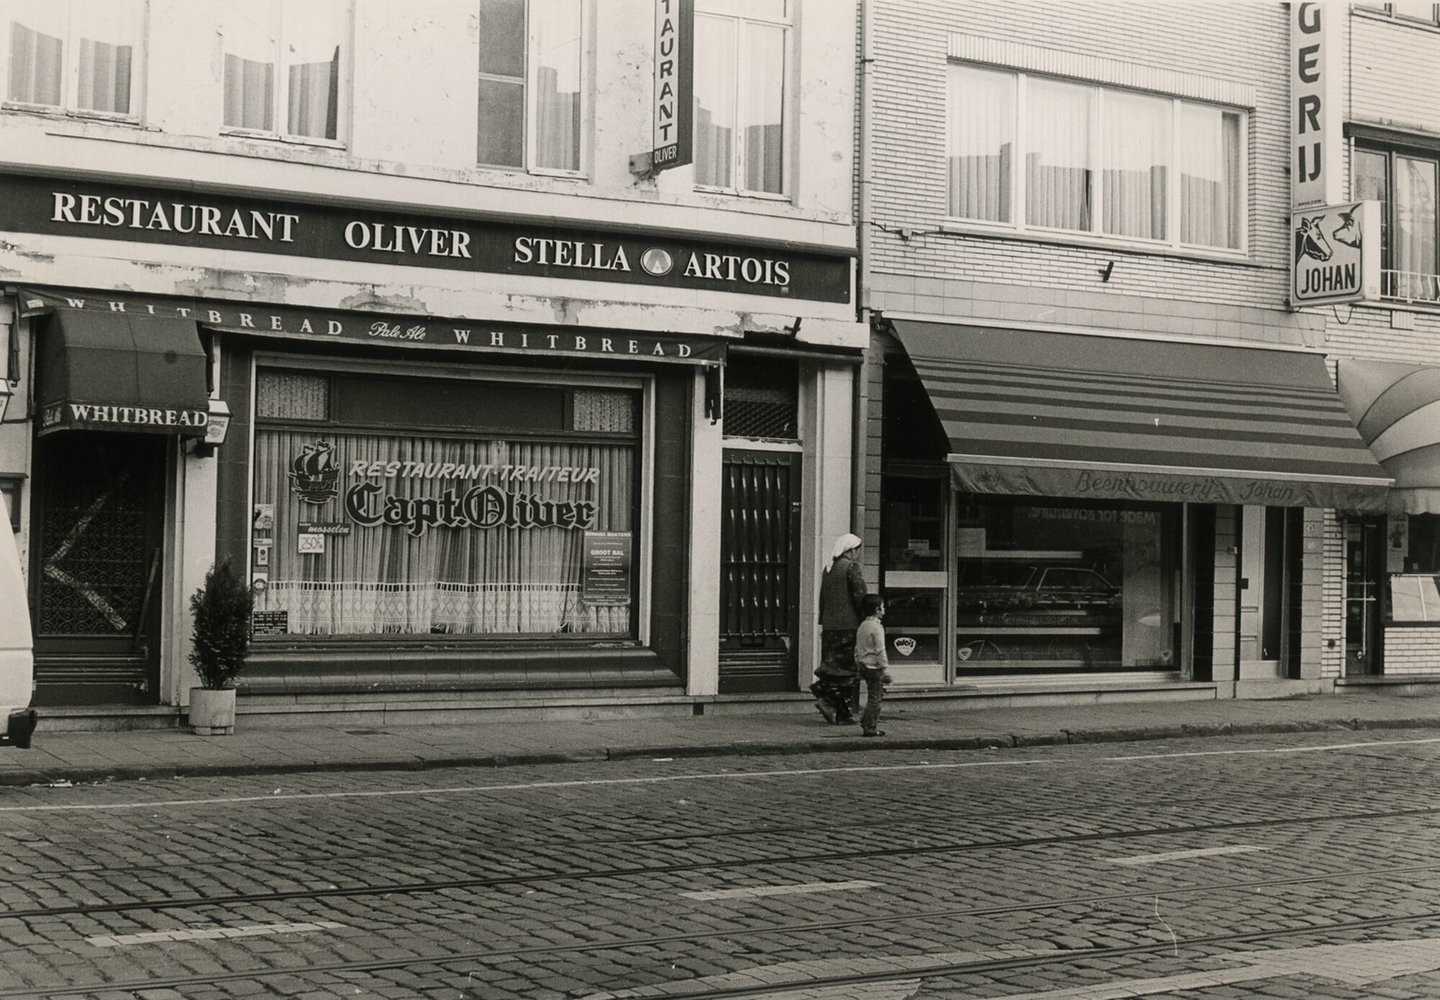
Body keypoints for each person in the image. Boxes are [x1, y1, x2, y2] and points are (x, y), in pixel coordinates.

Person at [813, 532, 866, 724]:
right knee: (847, 670)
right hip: (848, 625)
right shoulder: (851, 567)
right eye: (858, 550)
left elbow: (822, 599)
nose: (858, 554)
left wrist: (823, 621)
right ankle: (831, 704)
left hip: (830, 626)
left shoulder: (828, 568)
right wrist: (867, 618)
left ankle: (839, 710)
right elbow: (860, 595)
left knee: (831, 668)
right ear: (851, 550)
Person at [854, 593, 892, 737]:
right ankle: (870, 727)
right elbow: (880, 649)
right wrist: (884, 667)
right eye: (882, 607)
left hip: (864, 665)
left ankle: (865, 720)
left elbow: (857, 648)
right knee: (875, 698)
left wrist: (858, 662)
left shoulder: (863, 626)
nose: (884, 609)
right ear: (877, 609)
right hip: (874, 667)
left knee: (873, 695)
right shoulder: (877, 628)